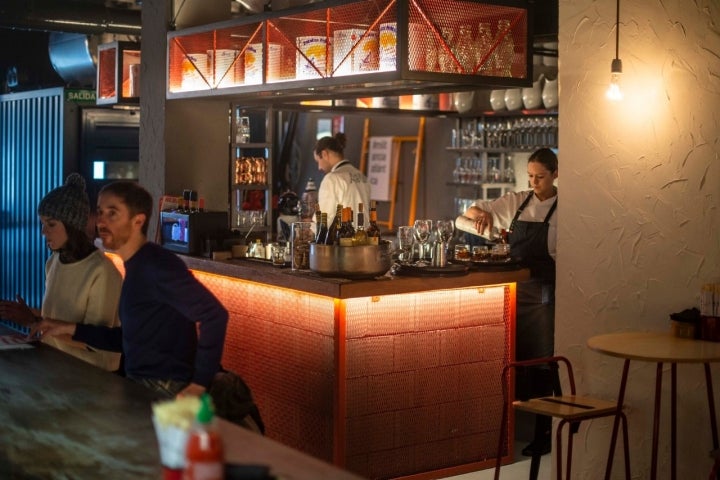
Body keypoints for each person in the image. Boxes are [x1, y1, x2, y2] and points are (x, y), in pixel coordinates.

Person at [32, 180, 229, 399]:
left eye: (113, 213)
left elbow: (215, 315)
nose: (102, 221)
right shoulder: (135, 266)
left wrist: (200, 383)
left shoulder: (157, 265)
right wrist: (69, 328)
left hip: (168, 390)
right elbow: (130, 339)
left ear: (138, 221)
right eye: (100, 212)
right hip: (141, 387)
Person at [455, 147, 558, 457]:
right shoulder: (517, 200)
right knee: (510, 360)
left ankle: (543, 433)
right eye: (530, 176)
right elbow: (465, 215)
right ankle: (508, 430)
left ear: (555, 174)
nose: (534, 182)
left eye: (540, 177)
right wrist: (481, 215)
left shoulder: (566, 208)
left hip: (543, 294)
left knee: (541, 363)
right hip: (514, 290)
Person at [0, 173, 122, 372]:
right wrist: (20, 312)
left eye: (51, 224)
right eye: (42, 223)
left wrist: (34, 321)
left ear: (72, 225)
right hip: (54, 366)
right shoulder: (54, 261)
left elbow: (95, 342)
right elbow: (57, 318)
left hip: (92, 378)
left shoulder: (102, 272)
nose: (43, 232)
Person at [314, 132, 371, 224]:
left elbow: (324, 218)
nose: (319, 167)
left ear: (324, 154)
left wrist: (309, 230)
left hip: (344, 237)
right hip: (364, 236)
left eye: (318, 161)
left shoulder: (332, 179)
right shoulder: (361, 176)